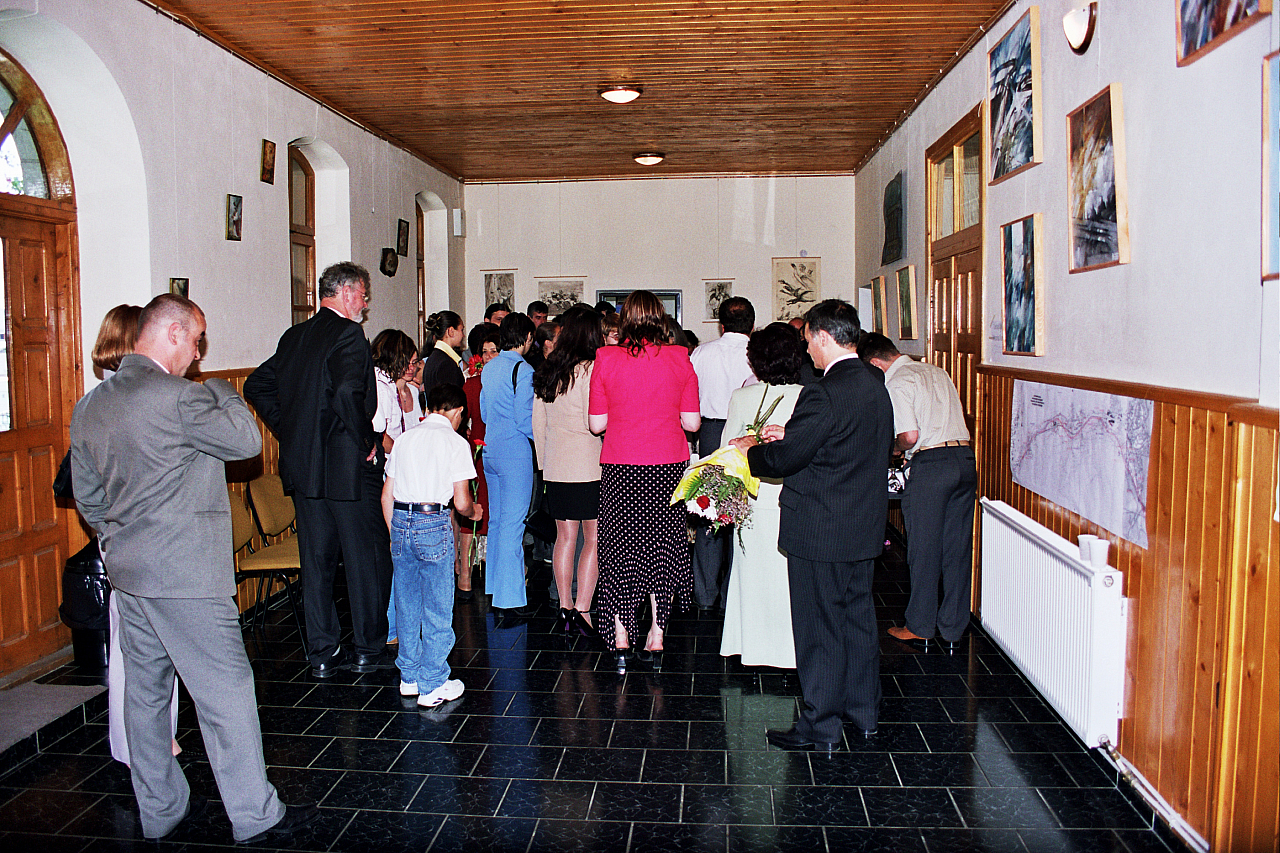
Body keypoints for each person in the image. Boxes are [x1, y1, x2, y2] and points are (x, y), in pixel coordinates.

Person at [70, 294, 317, 843]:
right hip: (186, 580)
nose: (201, 351)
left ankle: (160, 809)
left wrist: (116, 538)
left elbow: (86, 495)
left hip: (130, 575)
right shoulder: (183, 399)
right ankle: (255, 813)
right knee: (226, 692)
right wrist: (224, 391)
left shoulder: (90, 405)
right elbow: (247, 441)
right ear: (173, 334)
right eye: (198, 339)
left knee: (146, 694)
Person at [729, 299, 893, 750]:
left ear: (823, 336)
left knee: (819, 630)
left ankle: (820, 726)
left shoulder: (824, 390)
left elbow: (787, 459)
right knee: (858, 624)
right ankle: (864, 715)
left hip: (821, 529)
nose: (807, 354)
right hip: (860, 526)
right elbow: (843, 444)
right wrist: (794, 434)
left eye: (809, 344)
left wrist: (751, 452)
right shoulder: (873, 382)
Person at [243, 262, 394, 678]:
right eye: (363, 296)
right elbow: (348, 393)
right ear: (346, 294)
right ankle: (367, 647)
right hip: (348, 465)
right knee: (365, 558)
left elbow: (256, 384)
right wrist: (365, 442)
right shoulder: (348, 334)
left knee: (317, 562)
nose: (364, 305)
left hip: (304, 468)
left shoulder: (294, 336)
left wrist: (290, 427)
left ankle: (323, 654)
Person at [88, 304, 182, 767]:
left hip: (136, 541)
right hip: (132, 542)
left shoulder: (119, 396)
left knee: (151, 649)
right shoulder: (114, 403)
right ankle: (138, 745)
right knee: (135, 654)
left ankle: (157, 737)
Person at [589, 290, 699, 673]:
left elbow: (596, 424)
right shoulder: (680, 358)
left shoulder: (605, 359)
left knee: (620, 549)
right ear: (661, 320)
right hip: (667, 465)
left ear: (625, 322)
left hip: (621, 465)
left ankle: (621, 633)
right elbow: (692, 424)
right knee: (662, 547)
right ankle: (656, 633)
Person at [857, 332, 976, 651]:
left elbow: (909, 435)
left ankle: (921, 626)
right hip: (964, 459)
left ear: (875, 363)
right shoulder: (937, 370)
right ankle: (953, 628)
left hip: (931, 465)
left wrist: (893, 450)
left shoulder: (896, 382)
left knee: (923, 549)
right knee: (957, 548)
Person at [382, 383, 483, 707]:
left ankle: (409, 677)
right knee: (438, 608)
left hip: (401, 521)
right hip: (432, 523)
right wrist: (474, 512)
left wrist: (394, 534)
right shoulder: (455, 443)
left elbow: (386, 494)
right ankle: (433, 683)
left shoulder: (405, 439)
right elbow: (461, 500)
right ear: (456, 412)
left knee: (407, 605)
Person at [718, 323, 806, 668]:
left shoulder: (742, 397)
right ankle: (788, 651)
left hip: (752, 499)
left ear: (756, 362)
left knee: (751, 576)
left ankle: (748, 646)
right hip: (793, 498)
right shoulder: (807, 396)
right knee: (788, 579)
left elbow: (727, 448)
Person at [533, 306, 603, 633]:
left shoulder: (548, 370)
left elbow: (539, 423)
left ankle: (563, 606)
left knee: (564, 538)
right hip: (590, 466)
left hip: (557, 467)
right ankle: (583, 608)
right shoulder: (592, 370)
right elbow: (598, 423)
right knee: (593, 538)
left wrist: (545, 465)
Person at [689, 296, 756, 611]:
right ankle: (735, 596)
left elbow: (689, 396)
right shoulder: (756, 354)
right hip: (747, 435)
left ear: (722, 323)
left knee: (708, 514)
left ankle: (704, 594)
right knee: (741, 513)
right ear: (752, 324)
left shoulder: (702, 353)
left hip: (711, 432)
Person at [479, 312, 537, 618]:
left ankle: (494, 591)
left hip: (491, 449)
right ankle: (511, 600)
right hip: (515, 451)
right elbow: (524, 419)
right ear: (527, 338)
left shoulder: (489, 368)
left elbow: (485, 413)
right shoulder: (523, 370)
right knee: (514, 525)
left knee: (498, 523)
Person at [458, 328, 500, 599]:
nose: (488, 356)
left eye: (494, 350)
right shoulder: (472, 384)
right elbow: (461, 420)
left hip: (499, 453)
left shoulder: (507, 381)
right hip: (477, 455)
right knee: (472, 511)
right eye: (484, 352)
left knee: (497, 514)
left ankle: (492, 571)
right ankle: (464, 575)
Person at [371, 329, 421, 453]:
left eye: (414, 363)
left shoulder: (413, 390)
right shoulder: (381, 388)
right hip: (390, 461)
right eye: (405, 363)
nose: (411, 368)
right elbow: (379, 435)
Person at [419, 310, 466, 410]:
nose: (463, 335)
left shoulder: (434, 357)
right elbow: (450, 404)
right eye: (461, 330)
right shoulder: (446, 363)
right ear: (451, 331)